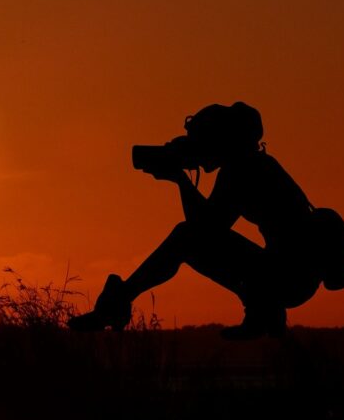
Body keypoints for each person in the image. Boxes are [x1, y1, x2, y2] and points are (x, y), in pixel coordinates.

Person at [68, 102, 322, 340]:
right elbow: (207, 228)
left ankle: (263, 309)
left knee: (184, 237)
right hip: (292, 273)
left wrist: (180, 180)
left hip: (290, 277)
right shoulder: (256, 164)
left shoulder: (242, 171)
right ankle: (264, 309)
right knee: (187, 237)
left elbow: (206, 230)